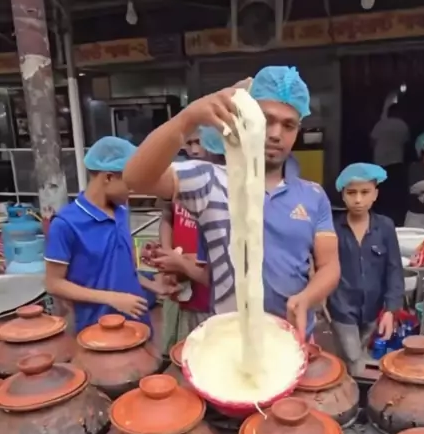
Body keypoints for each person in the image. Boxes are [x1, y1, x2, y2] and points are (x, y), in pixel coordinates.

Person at [123, 67, 340, 343]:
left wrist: (307, 297)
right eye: (266, 120)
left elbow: (329, 265)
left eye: (289, 125)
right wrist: (187, 118)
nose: (276, 134)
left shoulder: (313, 195)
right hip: (230, 342)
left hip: (293, 339)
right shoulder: (209, 181)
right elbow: (136, 178)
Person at [45, 136, 173, 334]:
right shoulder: (65, 224)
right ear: (108, 178)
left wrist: (155, 287)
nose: (133, 191)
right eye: (129, 184)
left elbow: (122, 268)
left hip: (138, 322)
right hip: (97, 329)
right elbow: (54, 284)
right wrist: (112, 298)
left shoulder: (121, 212)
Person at [328, 163, 404, 374]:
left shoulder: (385, 227)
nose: (358, 199)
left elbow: (394, 269)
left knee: (358, 355)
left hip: (372, 308)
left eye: (365, 192)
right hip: (341, 308)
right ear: (343, 195)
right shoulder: (332, 228)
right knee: (354, 358)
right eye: (351, 193)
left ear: (375, 194)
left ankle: (346, 385)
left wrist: (391, 309)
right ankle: (353, 389)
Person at [158, 128, 221, 353]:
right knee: (179, 346)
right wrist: (167, 254)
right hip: (180, 281)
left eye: (199, 143)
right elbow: (167, 217)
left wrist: (182, 262)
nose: (194, 150)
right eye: (189, 143)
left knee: (207, 349)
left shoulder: (224, 183)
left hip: (209, 286)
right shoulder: (177, 177)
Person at [370, 102, 410, 226]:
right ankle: (395, 217)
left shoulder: (380, 124)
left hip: (380, 161)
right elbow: (406, 142)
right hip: (396, 161)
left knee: (381, 191)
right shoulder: (402, 125)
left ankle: (379, 216)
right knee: (394, 192)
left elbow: (372, 141)